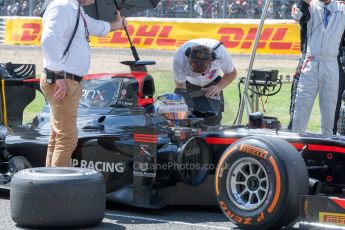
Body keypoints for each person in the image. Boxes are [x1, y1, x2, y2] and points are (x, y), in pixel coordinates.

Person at [40, 0, 126, 167]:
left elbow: (93, 27)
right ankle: (56, 188)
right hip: (64, 80)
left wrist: (117, 24)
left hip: (65, 80)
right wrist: (59, 75)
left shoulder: (74, 8)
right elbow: (48, 39)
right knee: (67, 140)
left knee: (58, 138)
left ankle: (50, 185)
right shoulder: (64, 6)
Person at [290, 0, 345, 135]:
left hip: (332, 64)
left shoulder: (341, 8)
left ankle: (327, 152)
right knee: (298, 118)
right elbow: (296, 16)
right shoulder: (307, 6)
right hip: (309, 63)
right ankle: (294, 153)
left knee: (330, 121)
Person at [173, 38, 237, 125]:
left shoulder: (220, 53)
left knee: (213, 122)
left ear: (213, 59)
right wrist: (185, 105)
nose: (199, 73)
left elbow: (232, 73)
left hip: (213, 82)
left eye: (202, 70)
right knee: (186, 121)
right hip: (188, 84)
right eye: (194, 69)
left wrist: (219, 86)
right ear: (187, 56)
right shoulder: (179, 57)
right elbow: (180, 85)